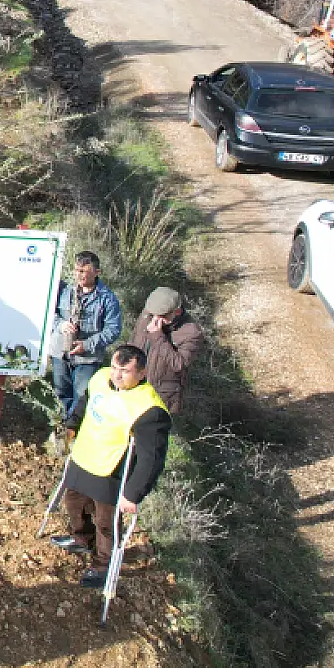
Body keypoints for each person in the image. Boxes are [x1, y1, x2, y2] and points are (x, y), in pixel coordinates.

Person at [52, 344, 170, 588]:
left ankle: (102, 566)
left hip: (110, 470)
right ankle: (81, 539)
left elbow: (152, 459)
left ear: (141, 373)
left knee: (106, 523)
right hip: (84, 458)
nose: (116, 374)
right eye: (115, 367)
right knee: (74, 503)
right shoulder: (100, 378)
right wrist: (72, 424)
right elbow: (86, 402)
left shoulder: (149, 410)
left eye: (125, 370)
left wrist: (133, 494)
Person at [51, 251, 123, 419]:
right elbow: (49, 314)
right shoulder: (64, 291)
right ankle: (61, 428)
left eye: (84, 271)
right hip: (61, 353)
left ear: (97, 272)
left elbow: (113, 330)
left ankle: (74, 430)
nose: (79, 275)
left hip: (88, 358)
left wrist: (87, 344)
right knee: (60, 393)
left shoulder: (108, 299)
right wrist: (61, 325)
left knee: (81, 396)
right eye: (77, 270)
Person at [129, 287, 205, 415]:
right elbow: (133, 340)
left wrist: (157, 336)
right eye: (153, 315)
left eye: (163, 316)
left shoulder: (191, 332)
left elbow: (179, 364)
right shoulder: (148, 313)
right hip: (133, 383)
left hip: (160, 395)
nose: (156, 320)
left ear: (177, 311)